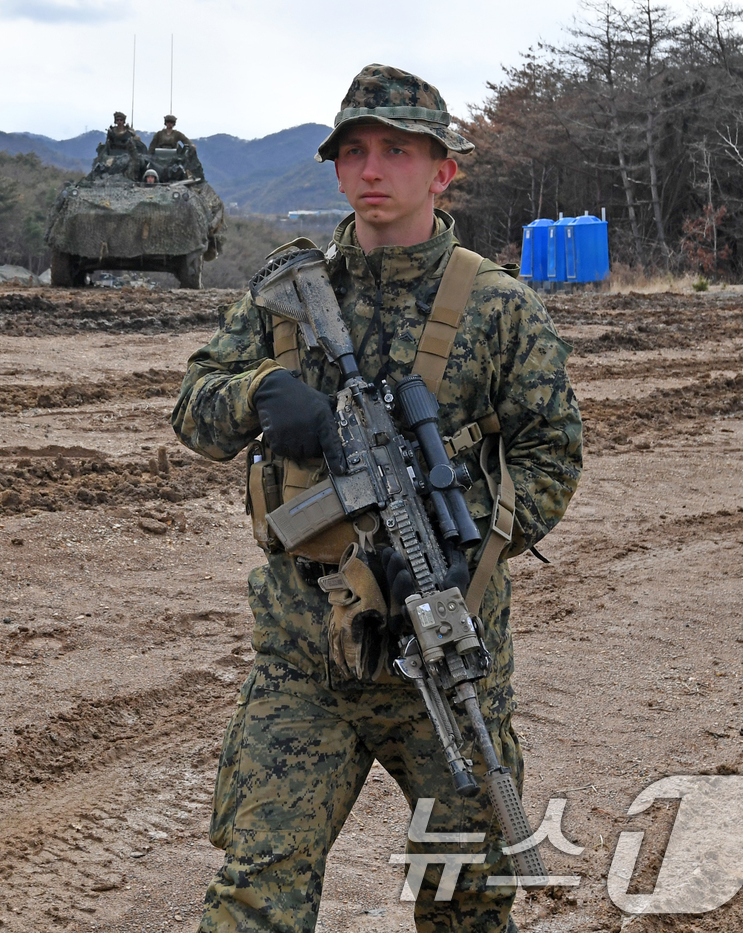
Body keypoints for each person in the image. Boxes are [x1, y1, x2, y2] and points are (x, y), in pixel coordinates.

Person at [171, 63, 582, 933]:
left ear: (443, 170)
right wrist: (260, 392)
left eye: (396, 150)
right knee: (255, 893)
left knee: (468, 899)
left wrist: (484, 544)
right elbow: (196, 411)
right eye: (353, 151)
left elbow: (551, 450)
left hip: (443, 642)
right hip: (305, 654)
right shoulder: (288, 294)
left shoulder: (500, 308)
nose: (370, 169)